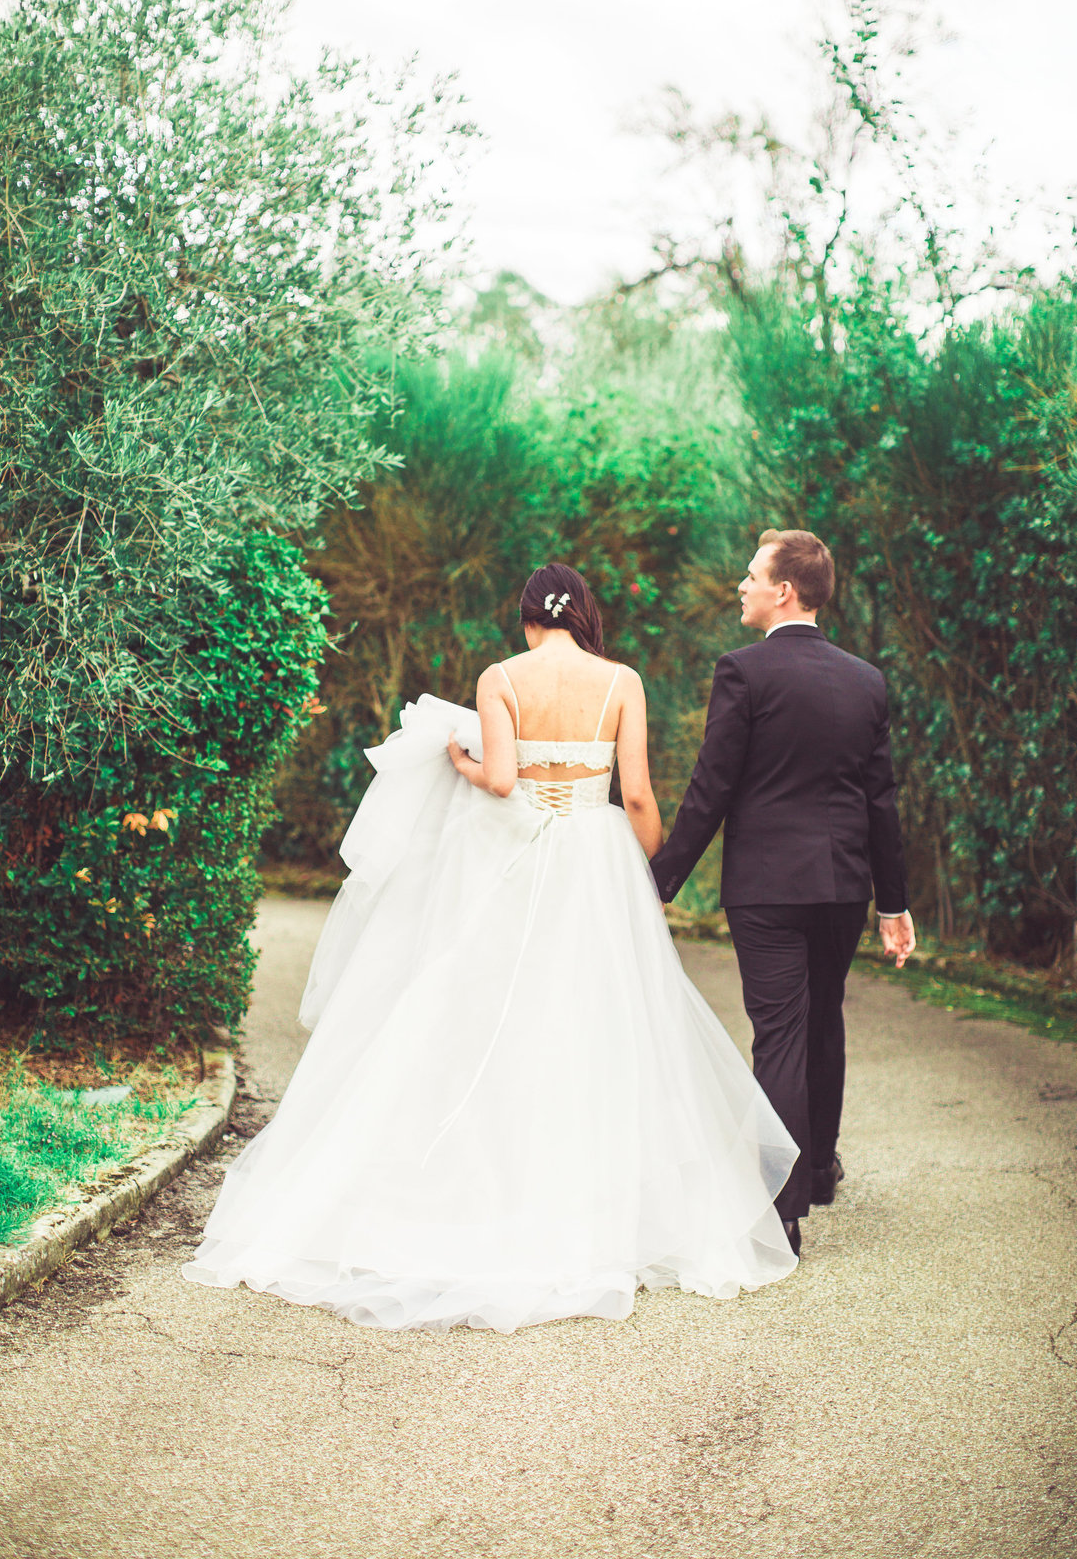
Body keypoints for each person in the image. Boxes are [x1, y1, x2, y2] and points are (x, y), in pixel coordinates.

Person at [181, 562, 800, 1332]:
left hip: (521, 863)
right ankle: (601, 1202)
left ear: (528, 618)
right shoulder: (622, 681)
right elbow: (636, 794)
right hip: (596, 862)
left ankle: (484, 1186)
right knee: (605, 1024)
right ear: (584, 618)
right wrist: (648, 871)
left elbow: (504, 782)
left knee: (489, 1014)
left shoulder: (500, 676)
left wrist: (464, 763)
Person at [649, 529, 915, 1257]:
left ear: (785, 591)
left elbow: (713, 787)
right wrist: (893, 904)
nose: (741, 585)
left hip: (766, 886)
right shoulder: (866, 680)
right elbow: (880, 803)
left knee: (781, 1034)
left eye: (751, 575)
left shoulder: (743, 672)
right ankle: (819, 1168)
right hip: (840, 887)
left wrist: (660, 879)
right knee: (822, 1018)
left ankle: (784, 1208)